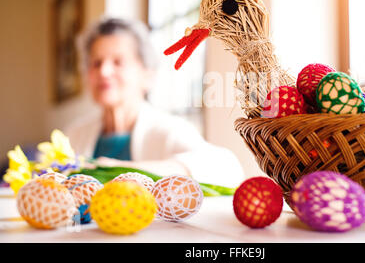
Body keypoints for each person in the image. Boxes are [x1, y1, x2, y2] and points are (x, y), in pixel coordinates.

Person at [65, 17, 245, 187]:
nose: (103, 71)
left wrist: (120, 170)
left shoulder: (168, 130)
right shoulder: (74, 134)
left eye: (118, 62)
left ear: (147, 75)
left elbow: (228, 169)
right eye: (96, 63)